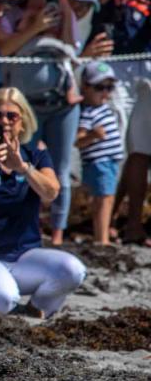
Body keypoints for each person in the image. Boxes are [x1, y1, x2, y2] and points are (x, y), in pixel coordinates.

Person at [0, 87, 85, 318]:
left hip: (24, 257)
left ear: (22, 122)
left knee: (73, 270)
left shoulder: (35, 157)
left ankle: (38, 306)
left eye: (11, 116)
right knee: (3, 300)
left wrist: (23, 168)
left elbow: (51, 193)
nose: (4, 121)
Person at [0, 0, 79, 245]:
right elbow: (5, 49)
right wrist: (33, 26)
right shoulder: (10, 13)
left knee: (60, 167)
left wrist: (65, 7)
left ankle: (57, 233)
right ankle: (22, 223)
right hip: (24, 104)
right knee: (20, 163)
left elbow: (72, 47)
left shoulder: (61, 10)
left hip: (61, 103)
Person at [93, 0, 151, 246]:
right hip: (114, 59)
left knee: (141, 148)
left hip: (147, 56)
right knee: (110, 145)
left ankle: (132, 224)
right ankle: (103, 224)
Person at [76, 62, 125, 245]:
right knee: (103, 200)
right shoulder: (87, 112)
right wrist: (93, 136)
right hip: (99, 162)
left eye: (109, 87)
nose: (105, 93)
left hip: (109, 162)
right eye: (99, 87)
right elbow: (78, 141)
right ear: (86, 87)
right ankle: (101, 239)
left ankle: (102, 235)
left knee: (107, 198)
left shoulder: (102, 108)